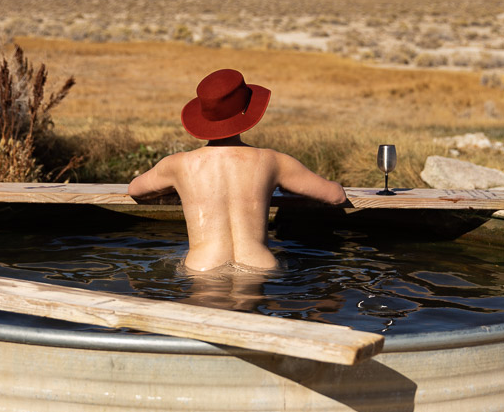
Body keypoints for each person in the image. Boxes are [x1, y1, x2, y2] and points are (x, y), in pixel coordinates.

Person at [128, 68, 346, 272]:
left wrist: (179, 188)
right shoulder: (272, 161)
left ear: (203, 116)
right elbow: (335, 196)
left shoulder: (178, 165)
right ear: (247, 112)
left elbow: (135, 189)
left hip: (202, 268)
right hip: (260, 267)